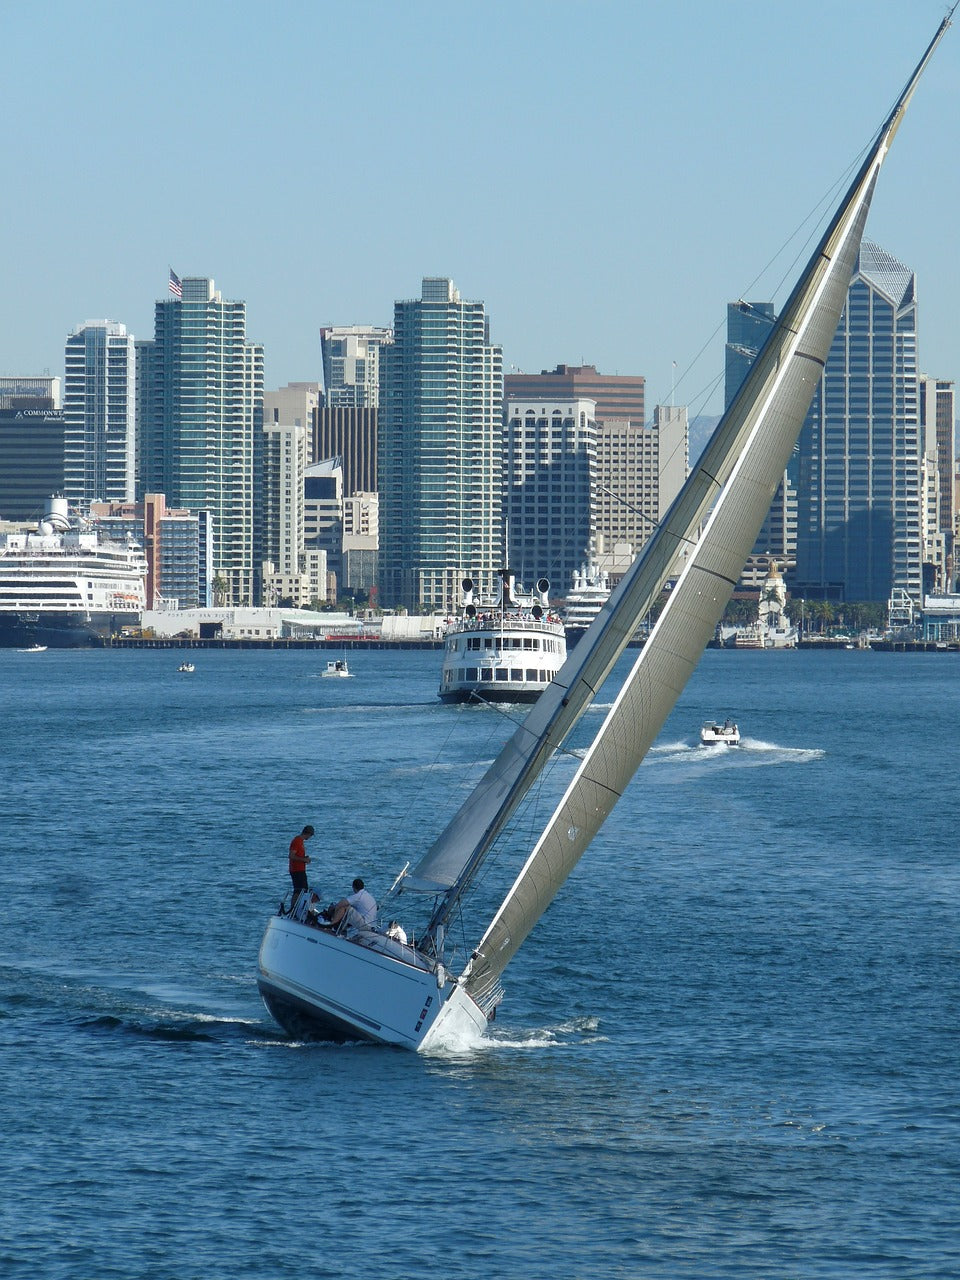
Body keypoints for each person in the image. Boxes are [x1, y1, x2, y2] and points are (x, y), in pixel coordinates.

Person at [288, 824, 315, 907]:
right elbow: (291, 856)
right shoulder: (297, 841)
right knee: (299, 890)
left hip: (300, 869)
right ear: (308, 834)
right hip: (296, 870)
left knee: (302, 890)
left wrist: (304, 858)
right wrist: (304, 860)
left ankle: (297, 907)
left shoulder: (300, 842)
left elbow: (297, 855)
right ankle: (293, 908)